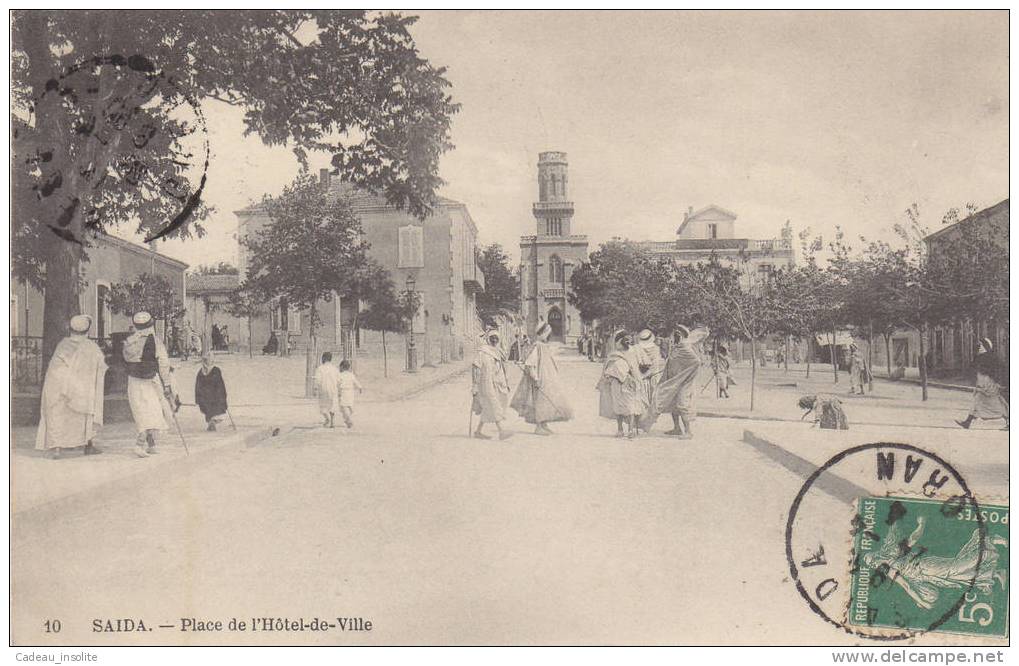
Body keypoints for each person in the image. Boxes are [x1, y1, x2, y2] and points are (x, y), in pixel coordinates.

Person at [35, 314, 108, 459]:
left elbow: (55, 366)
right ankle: (87, 443)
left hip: (56, 383)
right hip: (79, 387)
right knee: (84, 414)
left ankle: (56, 448)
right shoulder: (91, 348)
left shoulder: (63, 344)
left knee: (57, 413)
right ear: (87, 330)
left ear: (71, 329)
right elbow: (101, 367)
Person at [123, 311, 174, 458]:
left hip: (133, 381)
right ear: (151, 324)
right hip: (149, 380)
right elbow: (163, 363)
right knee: (152, 411)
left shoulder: (129, 341)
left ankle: (151, 444)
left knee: (141, 411)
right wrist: (167, 384)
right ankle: (139, 445)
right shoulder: (155, 341)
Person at [510, 322, 573, 435]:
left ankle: (544, 425)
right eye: (547, 334)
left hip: (547, 379)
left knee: (546, 403)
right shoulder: (537, 346)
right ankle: (538, 427)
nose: (548, 336)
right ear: (542, 333)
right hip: (540, 379)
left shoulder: (543, 346)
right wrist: (535, 378)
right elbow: (530, 363)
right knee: (539, 403)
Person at [653, 325, 706, 439]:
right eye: (675, 334)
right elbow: (670, 363)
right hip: (673, 381)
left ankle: (688, 431)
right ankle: (677, 428)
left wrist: (686, 376)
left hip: (683, 383)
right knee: (673, 405)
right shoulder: (676, 348)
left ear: (682, 336)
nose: (675, 336)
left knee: (682, 405)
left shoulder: (686, 348)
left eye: (677, 334)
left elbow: (696, 362)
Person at [598, 330, 646, 439]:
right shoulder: (613, 355)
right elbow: (607, 369)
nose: (628, 341)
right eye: (625, 339)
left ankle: (631, 430)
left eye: (629, 339)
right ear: (620, 341)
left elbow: (637, 365)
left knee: (631, 406)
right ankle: (620, 430)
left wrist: (635, 375)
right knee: (618, 406)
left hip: (631, 382)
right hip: (616, 382)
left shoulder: (633, 351)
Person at [956, 338, 1009, 430]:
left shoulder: (992, 358)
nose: (980, 347)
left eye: (982, 345)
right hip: (982, 385)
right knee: (977, 401)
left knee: (997, 405)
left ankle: (1010, 422)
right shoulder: (979, 357)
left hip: (989, 386)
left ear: (987, 346)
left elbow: (999, 371)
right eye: (979, 345)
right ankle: (967, 422)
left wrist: (999, 383)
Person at [472, 331, 513, 440]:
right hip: (485, 383)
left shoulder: (497, 352)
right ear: (488, 339)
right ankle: (502, 431)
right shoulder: (482, 352)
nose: (494, 341)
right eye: (492, 338)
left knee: (488, 407)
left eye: (496, 339)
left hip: (496, 383)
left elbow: (501, 370)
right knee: (493, 404)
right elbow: (476, 368)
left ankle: (478, 431)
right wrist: (475, 385)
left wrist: (505, 383)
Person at [195, 354, 228, 431]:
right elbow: (220, 384)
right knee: (217, 410)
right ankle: (212, 422)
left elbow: (197, 387)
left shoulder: (200, 372)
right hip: (215, 396)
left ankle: (211, 421)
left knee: (209, 411)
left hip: (205, 397)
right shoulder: (216, 370)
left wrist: (198, 398)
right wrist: (223, 395)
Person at [313, 352, 342, 428]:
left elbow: (317, 380)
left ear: (323, 359)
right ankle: (332, 422)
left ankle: (327, 418)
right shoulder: (335, 369)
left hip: (323, 389)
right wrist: (339, 390)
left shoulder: (320, 368)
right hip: (333, 389)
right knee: (332, 405)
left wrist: (315, 389)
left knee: (323, 406)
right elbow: (339, 380)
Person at [336, 359, 363, 429]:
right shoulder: (351, 375)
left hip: (343, 392)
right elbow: (355, 382)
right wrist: (360, 387)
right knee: (349, 405)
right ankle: (348, 418)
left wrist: (337, 391)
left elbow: (337, 384)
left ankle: (348, 420)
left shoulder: (340, 375)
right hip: (350, 392)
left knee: (343, 407)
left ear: (342, 367)